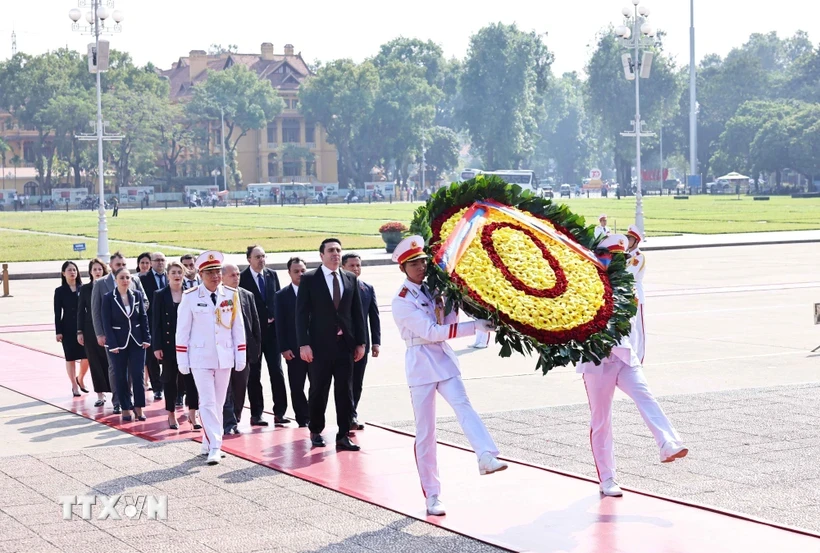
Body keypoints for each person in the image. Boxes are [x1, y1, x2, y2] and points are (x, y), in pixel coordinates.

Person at [391, 235, 508, 516]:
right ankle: (432, 494)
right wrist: (475, 326)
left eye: (422, 262)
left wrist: (453, 302)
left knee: (463, 406)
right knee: (426, 432)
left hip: (442, 361)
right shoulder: (402, 300)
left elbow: (447, 324)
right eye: (414, 263)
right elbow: (431, 332)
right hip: (420, 363)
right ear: (403, 268)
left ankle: (485, 455)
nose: (420, 267)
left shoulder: (432, 291)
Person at [577, 234, 687, 498]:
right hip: (597, 362)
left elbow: (636, 325)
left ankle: (668, 443)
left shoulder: (629, 286)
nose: (616, 262)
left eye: (620, 258)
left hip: (625, 356)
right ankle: (607, 478)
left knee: (645, 395)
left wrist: (637, 355)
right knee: (601, 421)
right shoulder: (585, 283)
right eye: (611, 257)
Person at [175, 251, 246, 465]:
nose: (215, 276)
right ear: (200, 274)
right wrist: (182, 360)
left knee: (218, 402)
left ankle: (207, 441)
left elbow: (237, 327)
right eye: (210, 273)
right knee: (206, 402)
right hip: (200, 357)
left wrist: (240, 354)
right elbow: (183, 331)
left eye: (217, 272)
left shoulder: (231, 294)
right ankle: (216, 445)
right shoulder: (190, 296)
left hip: (224, 356)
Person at [296, 238, 366, 451]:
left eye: (338, 250)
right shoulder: (309, 279)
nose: (335, 254)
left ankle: (343, 435)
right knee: (319, 389)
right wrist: (303, 344)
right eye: (331, 250)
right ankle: (316, 430)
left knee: (345, 391)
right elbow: (301, 314)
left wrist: (361, 342)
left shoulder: (350, 279)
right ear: (321, 255)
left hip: (344, 345)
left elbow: (357, 314)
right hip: (319, 347)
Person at [91, 252, 148, 414]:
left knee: (136, 371)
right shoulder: (101, 284)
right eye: (118, 265)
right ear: (110, 266)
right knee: (116, 369)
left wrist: (135, 313)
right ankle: (118, 401)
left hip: (134, 335)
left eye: (124, 265)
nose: (122, 268)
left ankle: (135, 404)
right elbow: (96, 311)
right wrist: (100, 333)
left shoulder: (134, 280)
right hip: (113, 335)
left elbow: (144, 301)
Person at [239, 245, 286, 426]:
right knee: (254, 375)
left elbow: (278, 300)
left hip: (273, 333)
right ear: (249, 259)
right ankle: (256, 413)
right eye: (257, 257)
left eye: (264, 256)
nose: (261, 260)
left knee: (277, 372)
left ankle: (280, 412)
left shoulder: (271, 275)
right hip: (253, 334)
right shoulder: (242, 278)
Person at [151, 261, 200, 430]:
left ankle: (193, 414)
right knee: (170, 380)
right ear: (168, 275)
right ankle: (171, 413)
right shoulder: (160, 295)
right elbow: (155, 322)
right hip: (168, 344)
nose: (177, 275)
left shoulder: (191, 294)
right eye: (173, 272)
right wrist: (156, 346)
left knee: (192, 380)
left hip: (190, 344)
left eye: (180, 272)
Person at [101, 268, 152, 422]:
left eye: (127, 277)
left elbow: (143, 317)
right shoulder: (109, 297)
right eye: (121, 277)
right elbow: (106, 322)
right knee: (120, 376)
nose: (125, 280)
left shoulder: (137, 295)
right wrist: (112, 343)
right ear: (116, 280)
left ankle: (139, 407)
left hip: (137, 341)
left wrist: (147, 338)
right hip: (118, 343)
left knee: (138, 375)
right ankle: (125, 407)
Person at [221, 263, 261, 435]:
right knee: (226, 388)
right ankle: (228, 422)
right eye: (232, 275)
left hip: (244, 351)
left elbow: (255, 324)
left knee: (240, 386)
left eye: (238, 274)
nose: (236, 277)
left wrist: (256, 348)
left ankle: (236, 416)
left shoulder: (247, 295)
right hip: (224, 351)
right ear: (222, 277)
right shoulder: (218, 296)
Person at [341, 253, 380, 430]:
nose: (356, 269)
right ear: (343, 267)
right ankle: (346, 417)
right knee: (344, 382)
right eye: (352, 266)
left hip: (362, 344)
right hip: (341, 344)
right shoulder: (339, 289)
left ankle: (352, 415)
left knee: (357, 382)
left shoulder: (367, 288)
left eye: (358, 265)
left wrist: (375, 342)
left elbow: (374, 317)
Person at [274, 257, 310, 427]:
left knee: (317, 385)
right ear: (289, 273)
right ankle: (302, 418)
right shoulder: (281, 296)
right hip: (293, 350)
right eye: (296, 271)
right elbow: (279, 324)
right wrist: (284, 348)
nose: (300, 274)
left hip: (315, 348)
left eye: (303, 270)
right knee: (297, 386)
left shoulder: (316, 292)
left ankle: (315, 415)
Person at [77, 258, 111, 406]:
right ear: (90, 272)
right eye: (94, 269)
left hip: (109, 328)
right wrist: (79, 331)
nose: (97, 272)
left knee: (110, 362)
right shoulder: (85, 289)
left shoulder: (109, 286)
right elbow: (80, 311)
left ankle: (115, 392)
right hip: (90, 330)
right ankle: (100, 395)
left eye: (100, 269)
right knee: (95, 362)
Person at [54, 261, 89, 397]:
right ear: (63, 273)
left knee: (86, 357)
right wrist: (58, 331)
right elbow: (57, 313)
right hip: (67, 327)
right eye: (69, 270)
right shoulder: (60, 291)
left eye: (74, 270)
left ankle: (80, 378)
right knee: (70, 358)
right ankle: (74, 385)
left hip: (83, 327)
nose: (72, 272)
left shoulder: (83, 288)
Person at [140, 252, 167, 400]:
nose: (160, 263)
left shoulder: (172, 276)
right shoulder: (143, 279)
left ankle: (169, 385)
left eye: (162, 260)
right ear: (151, 262)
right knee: (152, 358)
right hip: (150, 323)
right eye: (157, 260)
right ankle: (157, 387)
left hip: (169, 323)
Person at [626, 225, 646, 362]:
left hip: (636, 294)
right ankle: (631, 356)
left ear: (636, 241)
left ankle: (639, 358)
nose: (628, 240)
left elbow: (629, 274)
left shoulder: (638, 257)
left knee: (639, 328)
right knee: (629, 327)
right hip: (626, 294)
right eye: (627, 238)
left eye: (630, 238)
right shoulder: (626, 256)